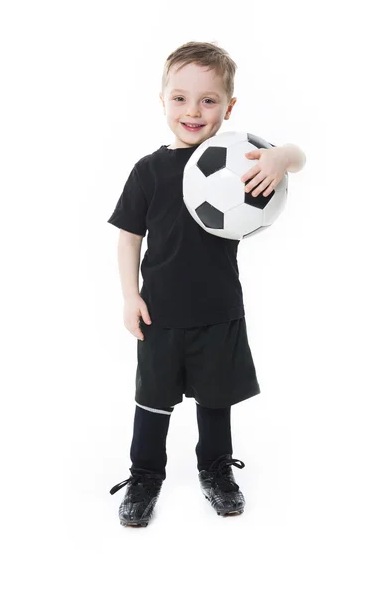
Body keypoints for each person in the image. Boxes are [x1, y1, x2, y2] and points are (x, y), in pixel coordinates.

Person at [107, 41, 306, 527]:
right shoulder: (149, 170)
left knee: (216, 400)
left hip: (219, 310)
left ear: (229, 107)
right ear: (162, 101)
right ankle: (145, 475)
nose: (193, 111)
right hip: (160, 312)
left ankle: (216, 470)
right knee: (152, 402)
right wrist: (129, 294)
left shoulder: (241, 162)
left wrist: (279, 156)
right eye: (180, 98)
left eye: (208, 100)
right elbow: (129, 237)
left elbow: (298, 156)